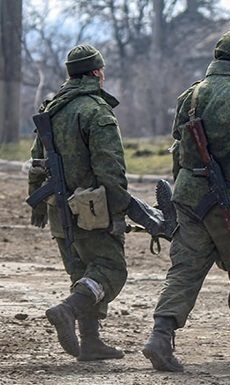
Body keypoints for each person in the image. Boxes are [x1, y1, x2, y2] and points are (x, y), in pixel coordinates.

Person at [142, 29, 230, 371]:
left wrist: (180, 192)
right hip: (229, 200)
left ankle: (161, 338)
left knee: (185, 270)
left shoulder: (190, 95)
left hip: (189, 197)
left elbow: (179, 148)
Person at [28, 44, 132, 361]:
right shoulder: (96, 111)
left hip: (57, 208)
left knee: (83, 273)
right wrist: (119, 209)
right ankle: (67, 311)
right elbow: (110, 168)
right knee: (111, 270)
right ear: (98, 72)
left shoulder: (51, 108)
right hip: (92, 210)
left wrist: (36, 204)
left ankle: (91, 342)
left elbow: (36, 160)